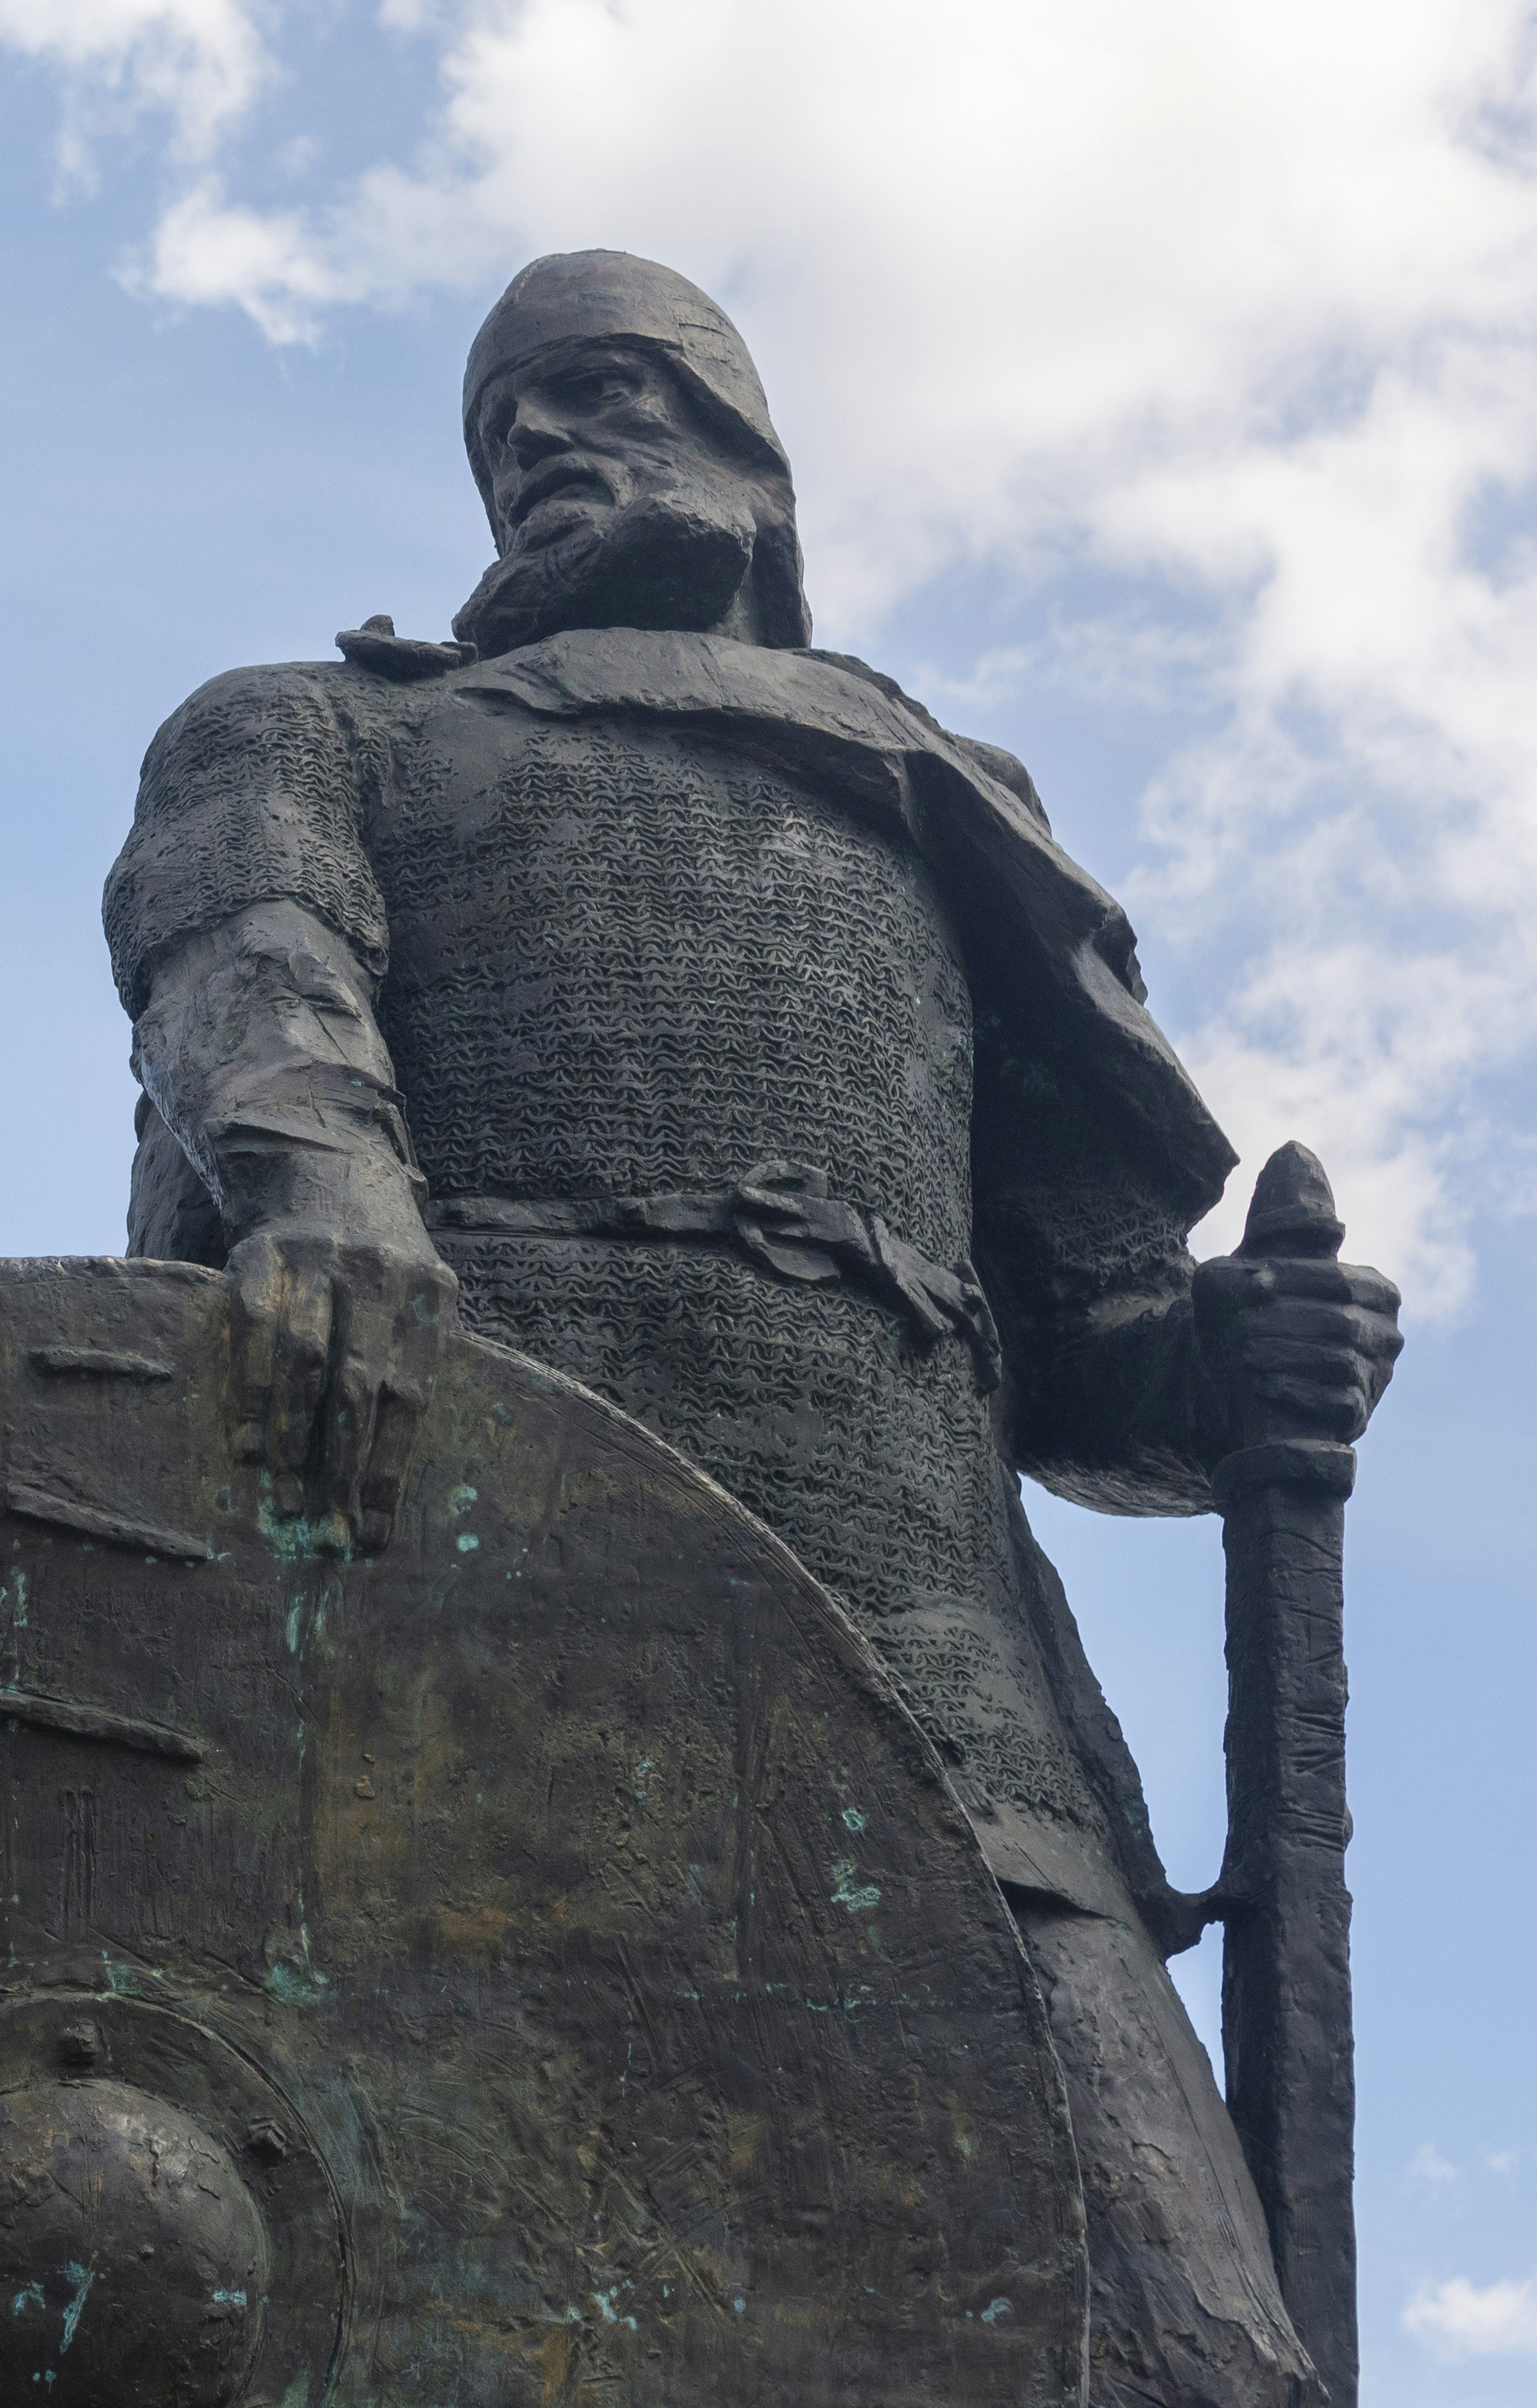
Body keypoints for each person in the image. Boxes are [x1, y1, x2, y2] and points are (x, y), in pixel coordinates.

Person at [102, 249, 1401, 2408]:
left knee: (1179, 2338)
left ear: (741, 444)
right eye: (502, 419)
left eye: (600, 386)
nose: (538, 441)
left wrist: (1223, 1364)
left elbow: (1084, 1346)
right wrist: (327, 1186)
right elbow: (251, 971)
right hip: (454, 1605)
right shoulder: (315, 729)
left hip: (929, 1677)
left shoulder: (936, 801)